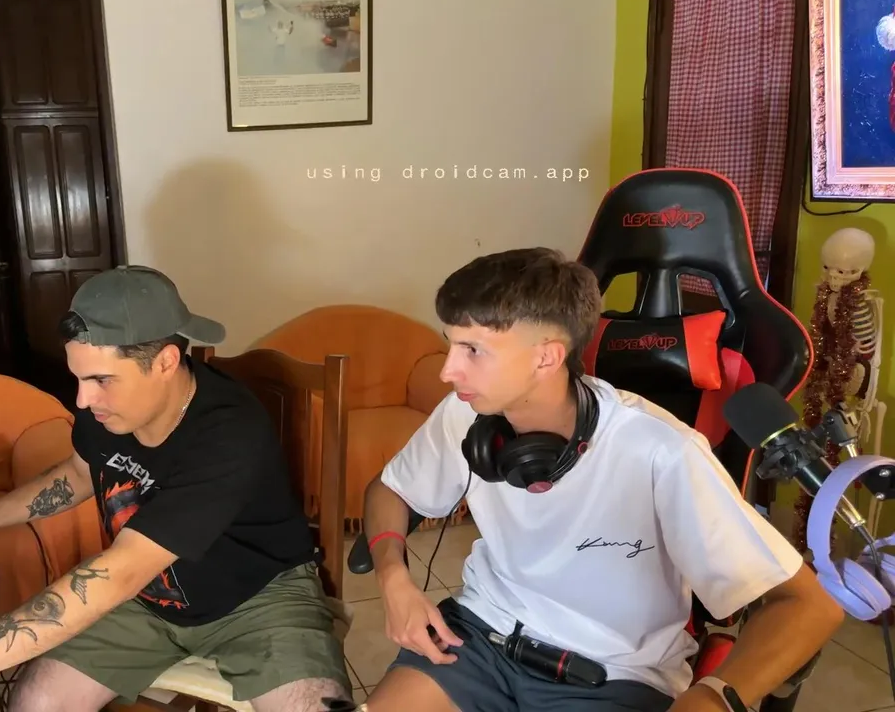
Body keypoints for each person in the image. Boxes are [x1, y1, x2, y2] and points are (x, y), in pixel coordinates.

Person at [0, 265, 351, 712]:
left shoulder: (229, 434)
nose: (81, 400)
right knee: (35, 702)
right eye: (78, 377)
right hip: (152, 601)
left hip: (258, 599)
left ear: (165, 362)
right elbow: (78, 474)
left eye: (100, 380)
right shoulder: (109, 412)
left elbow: (119, 572)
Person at [358, 248, 843, 712]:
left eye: (472, 350)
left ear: (546, 357)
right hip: (479, 640)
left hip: (610, 676)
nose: (448, 371)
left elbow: (809, 606)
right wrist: (393, 577)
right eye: (451, 343)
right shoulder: (465, 414)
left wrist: (712, 696)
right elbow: (390, 489)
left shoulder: (663, 451)